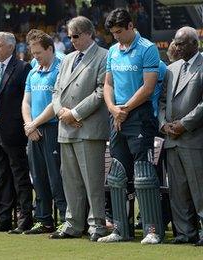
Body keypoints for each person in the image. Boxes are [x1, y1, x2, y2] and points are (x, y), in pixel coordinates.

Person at [98, 8, 164, 244]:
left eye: (119, 32)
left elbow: (148, 88)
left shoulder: (147, 48)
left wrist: (123, 109)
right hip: (117, 116)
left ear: (130, 26)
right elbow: (108, 84)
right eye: (112, 33)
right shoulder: (113, 51)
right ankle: (119, 229)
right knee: (117, 174)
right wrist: (114, 109)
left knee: (144, 175)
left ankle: (152, 230)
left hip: (140, 116)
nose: (116, 37)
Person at [50, 16, 110, 241]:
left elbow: (100, 91)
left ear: (88, 34)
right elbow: (56, 91)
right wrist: (60, 112)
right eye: (69, 36)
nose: (71, 40)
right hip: (66, 128)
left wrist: (74, 113)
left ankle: (97, 225)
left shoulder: (104, 56)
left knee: (92, 180)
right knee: (70, 179)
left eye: (75, 36)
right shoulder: (66, 59)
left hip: (88, 127)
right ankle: (73, 223)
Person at [0, 32, 33, 233]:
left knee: (19, 174)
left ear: (11, 47)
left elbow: (25, 100)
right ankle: (4, 219)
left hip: (14, 130)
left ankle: (25, 218)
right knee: (1, 175)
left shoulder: (22, 68)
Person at [159, 26, 203, 246]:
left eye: (181, 43)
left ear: (195, 44)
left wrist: (183, 125)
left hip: (194, 137)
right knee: (178, 190)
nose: (176, 46)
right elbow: (162, 102)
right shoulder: (172, 68)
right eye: (175, 42)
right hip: (171, 139)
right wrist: (163, 125)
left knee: (200, 189)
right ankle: (185, 233)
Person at [20, 29, 67, 235]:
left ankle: (67, 219)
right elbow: (26, 101)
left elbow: (55, 103)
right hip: (34, 130)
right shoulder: (33, 72)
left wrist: (34, 124)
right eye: (33, 53)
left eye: (38, 52)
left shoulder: (60, 70)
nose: (35, 57)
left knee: (57, 177)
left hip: (53, 128)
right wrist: (29, 124)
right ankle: (44, 219)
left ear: (50, 49)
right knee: (38, 177)